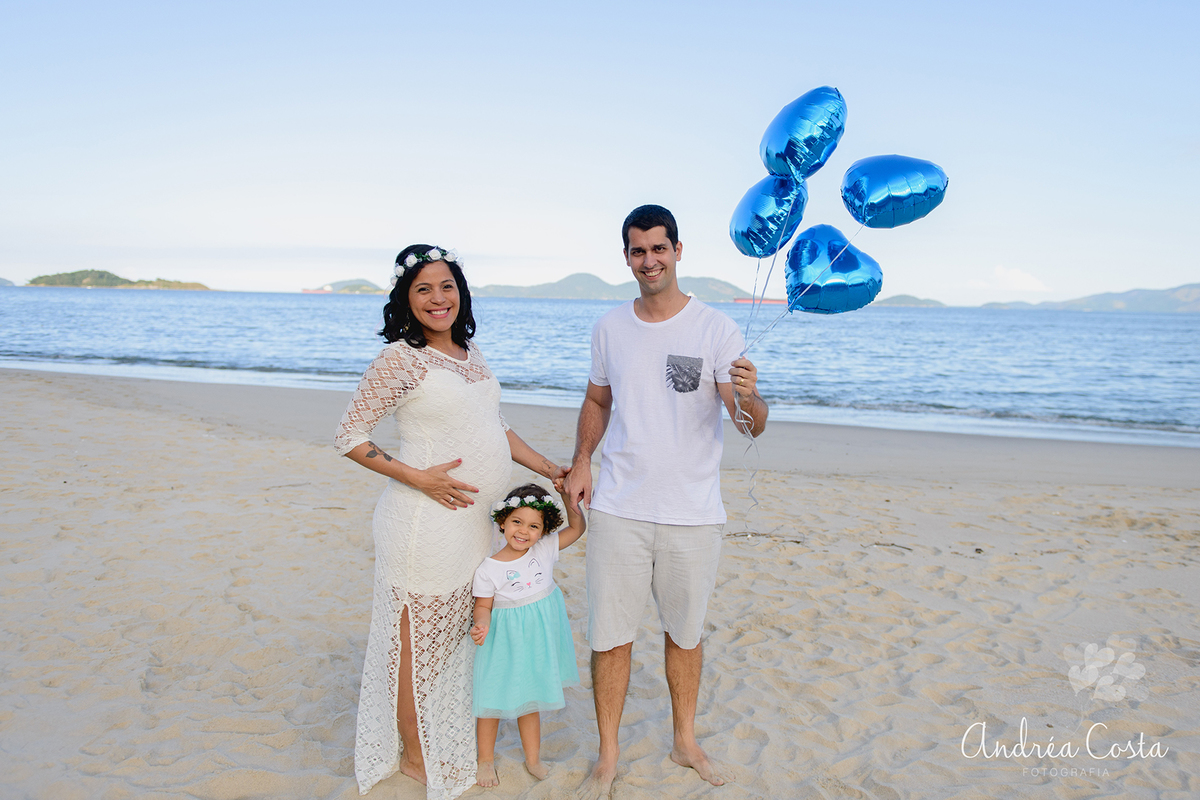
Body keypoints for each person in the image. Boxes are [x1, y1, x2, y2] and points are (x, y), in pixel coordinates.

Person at [334, 245, 566, 799]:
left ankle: (437, 736)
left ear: (460, 292)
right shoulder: (400, 360)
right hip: (423, 523)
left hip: (472, 527)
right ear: (406, 300)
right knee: (417, 642)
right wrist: (420, 477)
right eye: (423, 289)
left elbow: (496, 428)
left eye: (446, 286)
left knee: (455, 639)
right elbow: (349, 437)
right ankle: (415, 757)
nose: (438, 298)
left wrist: (550, 468)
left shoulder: (470, 352)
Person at [561, 205, 769, 798]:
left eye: (658, 248)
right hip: (620, 505)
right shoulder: (609, 328)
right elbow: (597, 402)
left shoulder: (715, 329)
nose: (648, 261)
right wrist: (581, 459)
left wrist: (753, 398)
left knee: (684, 633)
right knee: (611, 635)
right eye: (636, 251)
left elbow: (747, 422)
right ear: (625, 257)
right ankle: (608, 753)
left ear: (679, 250)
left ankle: (684, 739)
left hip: (692, 512)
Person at [470, 483, 585, 787]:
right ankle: (485, 760)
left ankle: (533, 760)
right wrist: (481, 624)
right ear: (503, 521)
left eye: (534, 526)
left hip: (538, 639)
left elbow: (577, 528)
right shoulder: (488, 569)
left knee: (530, 699)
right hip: (503, 640)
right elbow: (483, 606)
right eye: (517, 522)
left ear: (544, 530)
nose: (523, 531)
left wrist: (568, 496)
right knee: (491, 698)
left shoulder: (544, 549)